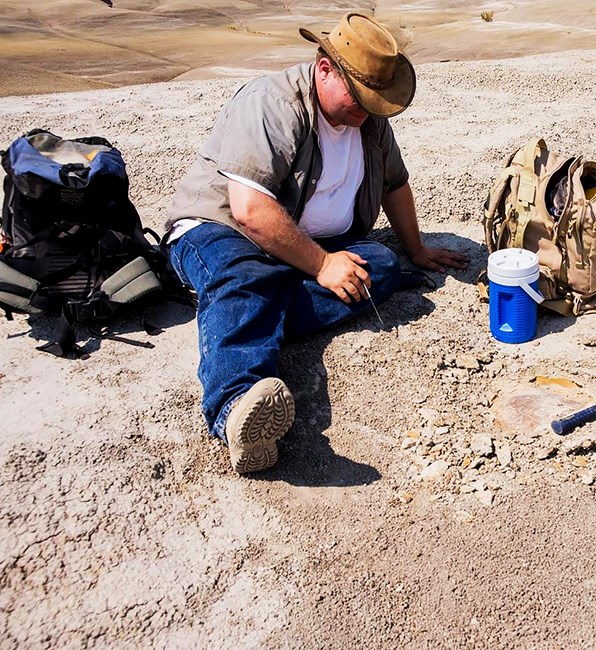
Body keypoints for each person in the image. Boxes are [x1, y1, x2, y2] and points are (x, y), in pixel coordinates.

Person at [165, 12, 468, 474]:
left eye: (375, 99)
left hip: (305, 242)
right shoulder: (272, 102)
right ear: (324, 68)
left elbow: (394, 185)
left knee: (381, 267)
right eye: (360, 95)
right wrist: (322, 265)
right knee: (247, 274)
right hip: (222, 230)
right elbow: (248, 210)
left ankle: (243, 316)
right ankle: (235, 408)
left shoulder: (368, 120)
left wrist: (418, 249)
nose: (366, 108)